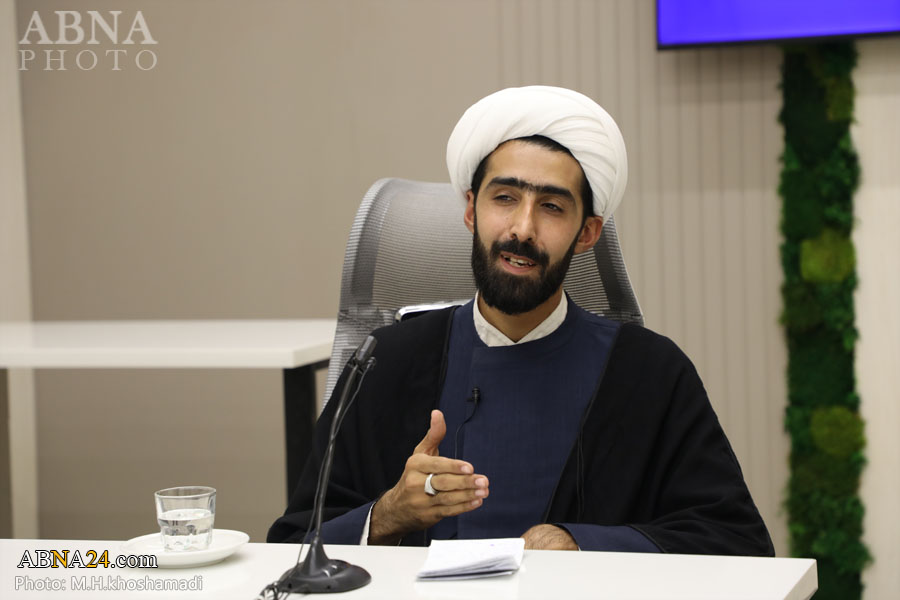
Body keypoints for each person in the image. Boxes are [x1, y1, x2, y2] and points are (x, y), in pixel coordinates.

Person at [268, 86, 774, 555]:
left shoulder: (648, 371)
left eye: (551, 206)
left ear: (587, 233)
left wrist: (582, 544)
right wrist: (387, 516)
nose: (523, 229)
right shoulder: (387, 361)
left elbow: (737, 541)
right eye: (505, 198)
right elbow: (292, 544)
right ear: (471, 210)